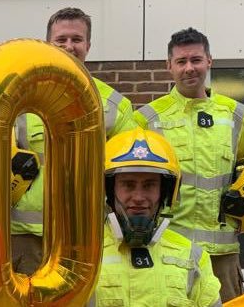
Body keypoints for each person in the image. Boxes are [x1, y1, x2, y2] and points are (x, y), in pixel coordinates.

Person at [134, 27, 244, 302]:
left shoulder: (236, 116)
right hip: (167, 250)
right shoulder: (147, 119)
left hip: (222, 258)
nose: (189, 68)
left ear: (209, 61)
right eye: (181, 61)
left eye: (196, 60)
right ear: (169, 66)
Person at [10, 7, 138, 274]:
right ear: (48, 44)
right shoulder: (22, 97)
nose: (69, 46)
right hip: (27, 238)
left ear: (88, 45)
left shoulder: (114, 105)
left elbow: (130, 171)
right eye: (61, 39)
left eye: (77, 39)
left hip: (86, 236)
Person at [94, 128, 221, 307]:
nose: (139, 197)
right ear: (108, 189)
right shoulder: (84, 257)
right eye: (128, 185)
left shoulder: (193, 258)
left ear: (165, 192)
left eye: (149, 185)